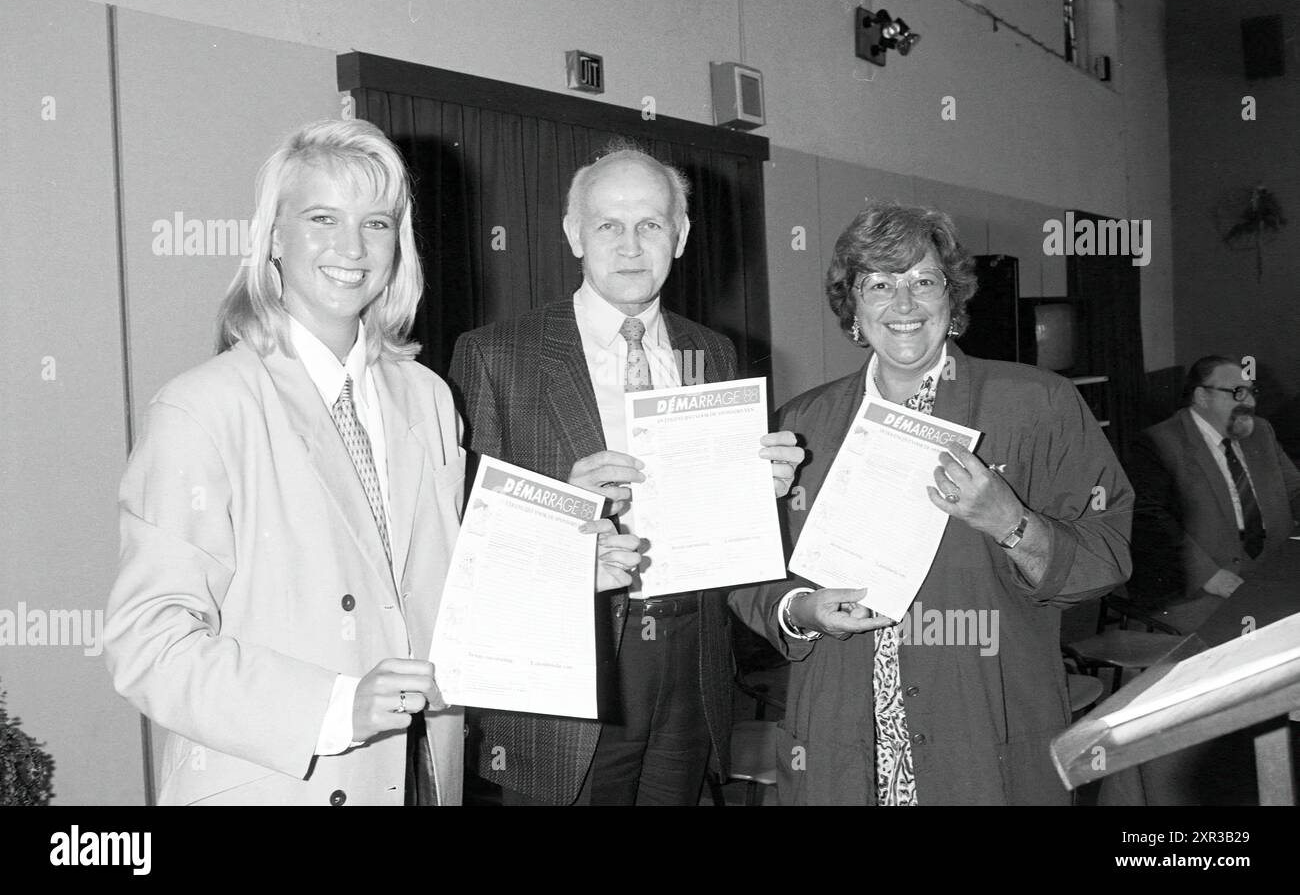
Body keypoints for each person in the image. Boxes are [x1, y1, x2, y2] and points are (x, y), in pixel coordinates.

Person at [104, 119, 630, 805]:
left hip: (418, 777)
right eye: (323, 217)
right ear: (271, 238)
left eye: (376, 223)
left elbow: (443, 596)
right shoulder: (203, 409)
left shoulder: (429, 399)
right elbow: (148, 645)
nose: (351, 247)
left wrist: (556, 572)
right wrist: (335, 708)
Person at [729, 200, 1133, 805]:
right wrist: (799, 609)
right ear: (853, 311)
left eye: (923, 281)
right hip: (843, 732)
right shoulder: (803, 425)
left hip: (983, 726)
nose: (904, 305)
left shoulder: (1036, 404)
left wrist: (1011, 522)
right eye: (879, 286)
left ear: (953, 298)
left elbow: (1109, 554)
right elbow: (747, 566)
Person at [449, 142, 802, 805]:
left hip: (692, 658)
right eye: (609, 224)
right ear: (573, 233)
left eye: (651, 224)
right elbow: (464, 547)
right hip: (570, 670)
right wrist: (563, 510)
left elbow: (727, 527)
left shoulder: (714, 351)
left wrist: (757, 496)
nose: (631, 245)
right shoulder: (496, 355)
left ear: (683, 234)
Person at [1126, 356, 1300, 622]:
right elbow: (1150, 521)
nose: (1250, 402)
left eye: (1252, 392)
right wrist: (1208, 576)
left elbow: (1295, 491)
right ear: (1202, 396)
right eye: (1237, 393)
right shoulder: (1158, 443)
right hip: (1200, 585)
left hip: (1269, 573)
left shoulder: (1260, 431)